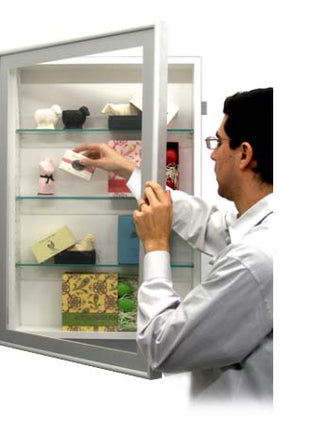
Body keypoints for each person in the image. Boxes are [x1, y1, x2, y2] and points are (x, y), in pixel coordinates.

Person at [74, 87, 273, 402]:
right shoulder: (264, 227)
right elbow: (208, 223)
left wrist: (155, 244)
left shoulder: (254, 259)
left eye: (219, 142)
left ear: (244, 154)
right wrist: (127, 169)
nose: (213, 154)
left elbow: (161, 347)